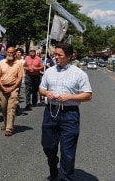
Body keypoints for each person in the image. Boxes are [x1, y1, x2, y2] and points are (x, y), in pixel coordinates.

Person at [39, 43, 92, 181]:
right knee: (48, 146)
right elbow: (41, 89)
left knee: (67, 151)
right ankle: (53, 164)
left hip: (70, 114)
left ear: (69, 57)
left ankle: (65, 178)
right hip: (50, 112)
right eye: (55, 54)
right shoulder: (49, 71)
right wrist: (47, 93)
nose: (55, 57)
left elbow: (88, 95)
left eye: (59, 55)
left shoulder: (79, 74)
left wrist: (70, 97)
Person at [0, 46, 24, 136]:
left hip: (14, 88)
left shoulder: (19, 63)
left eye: (11, 52)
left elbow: (20, 77)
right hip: (3, 87)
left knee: (11, 108)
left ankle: (9, 128)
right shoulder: (2, 62)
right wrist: (2, 86)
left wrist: (13, 87)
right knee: (3, 108)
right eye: (8, 52)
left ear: (15, 53)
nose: (9, 54)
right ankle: (5, 123)